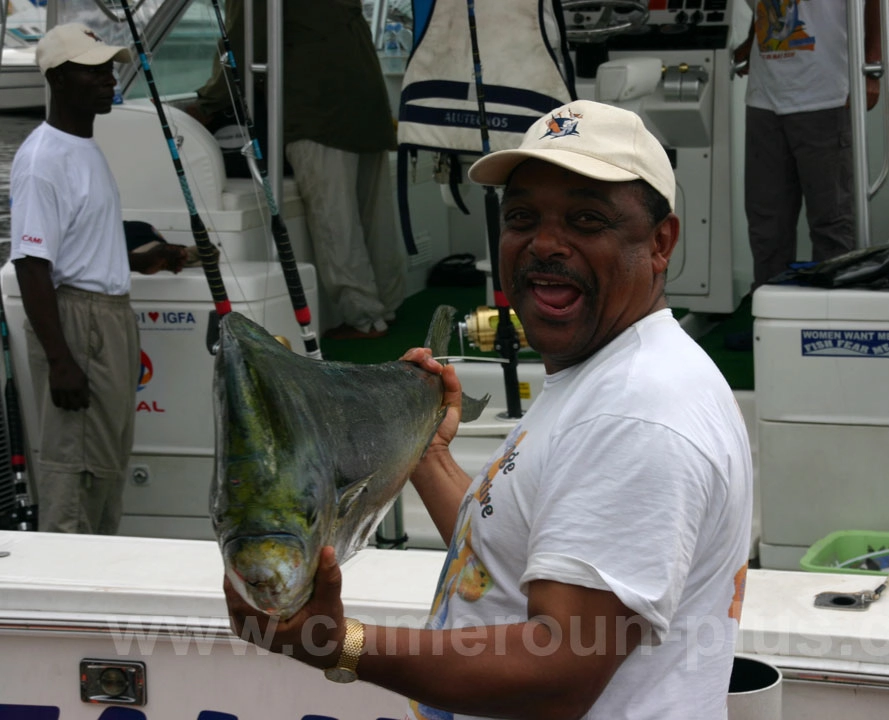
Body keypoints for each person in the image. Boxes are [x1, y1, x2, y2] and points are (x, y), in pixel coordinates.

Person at [223, 100, 754, 719]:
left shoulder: (635, 411)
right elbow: (506, 559)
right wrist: (428, 451)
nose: (546, 244)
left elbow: (559, 668)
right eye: (523, 217)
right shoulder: (604, 376)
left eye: (586, 219)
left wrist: (341, 646)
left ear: (660, 242)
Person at [9, 23, 190, 534]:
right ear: (61, 78)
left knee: (105, 461)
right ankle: (63, 589)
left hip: (109, 319)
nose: (111, 79)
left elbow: (82, 241)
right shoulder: (44, 160)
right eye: (96, 70)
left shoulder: (83, 147)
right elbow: (30, 263)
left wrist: (145, 257)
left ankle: (98, 567)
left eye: (110, 68)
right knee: (78, 466)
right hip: (79, 322)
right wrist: (61, 360)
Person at [186, 0, 406, 340]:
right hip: (367, 103)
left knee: (335, 221)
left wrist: (207, 103)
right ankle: (388, 307)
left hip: (317, 109)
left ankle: (364, 318)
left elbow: (242, 41)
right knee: (374, 216)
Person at [733, 0, 884, 290]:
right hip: (764, 98)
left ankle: (834, 318)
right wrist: (752, 42)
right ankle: (771, 318)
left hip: (825, 95)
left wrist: (873, 63)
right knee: (766, 224)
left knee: (833, 222)